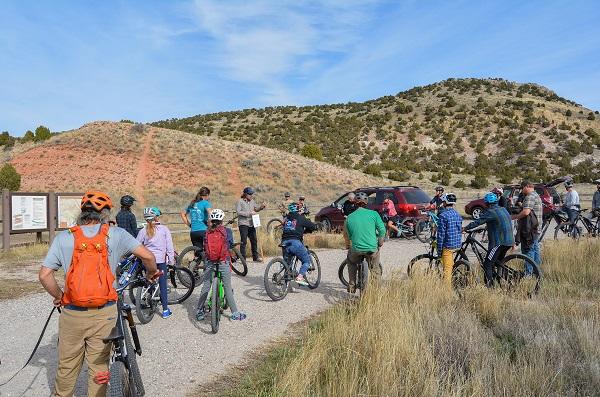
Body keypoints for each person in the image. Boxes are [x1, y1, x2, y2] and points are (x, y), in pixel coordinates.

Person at [39, 191, 157, 397]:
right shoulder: (117, 234)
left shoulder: (65, 237)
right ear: (105, 214)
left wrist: (59, 296)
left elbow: (44, 275)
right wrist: (152, 273)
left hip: (72, 313)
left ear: (81, 213)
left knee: (67, 367)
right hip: (104, 313)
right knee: (99, 366)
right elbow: (147, 256)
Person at [196, 209, 246, 321]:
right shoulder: (227, 231)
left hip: (210, 262)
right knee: (227, 287)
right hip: (223, 261)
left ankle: (199, 310)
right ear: (222, 220)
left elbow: (205, 247)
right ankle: (235, 313)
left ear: (212, 220)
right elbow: (230, 245)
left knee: (206, 286)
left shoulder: (207, 232)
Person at [464, 192, 514, 288]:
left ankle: (489, 288)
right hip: (509, 241)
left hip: (498, 243)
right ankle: (501, 281)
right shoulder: (503, 209)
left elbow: (478, 221)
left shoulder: (490, 212)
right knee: (497, 262)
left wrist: (465, 228)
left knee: (487, 264)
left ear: (486, 203)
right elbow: (498, 223)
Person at [137, 207, 175, 319]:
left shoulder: (142, 231)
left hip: (147, 261)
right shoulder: (164, 229)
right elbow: (169, 247)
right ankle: (165, 310)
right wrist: (171, 261)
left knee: (150, 278)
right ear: (156, 217)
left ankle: (148, 298)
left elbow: (137, 245)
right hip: (160, 261)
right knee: (163, 284)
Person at [344, 192, 386, 293]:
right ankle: (377, 290)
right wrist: (380, 242)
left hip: (356, 249)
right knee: (375, 268)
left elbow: (347, 235)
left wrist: (348, 245)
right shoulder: (374, 214)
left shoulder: (349, 217)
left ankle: (352, 285)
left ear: (355, 203)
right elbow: (382, 230)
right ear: (366, 203)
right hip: (372, 248)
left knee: (351, 262)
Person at [281, 202, 318, 286]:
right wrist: (316, 226)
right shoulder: (301, 218)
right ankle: (300, 277)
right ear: (298, 210)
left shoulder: (286, 219)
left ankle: (287, 286)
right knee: (306, 261)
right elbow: (312, 226)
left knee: (287, 265)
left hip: (284, 242)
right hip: (295, 242)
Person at [512, 181, 542, 269]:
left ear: (527, 186)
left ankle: (528, 275)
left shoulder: (530, 196)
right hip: (535, 229)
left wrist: (514, 217)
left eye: (522, 188)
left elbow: (526, 212)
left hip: (530, 229)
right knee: (535, 250)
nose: (521, 190)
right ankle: (537, 271)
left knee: (528, 251)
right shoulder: (536, 195)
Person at [436, 193, 462, 286]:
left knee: (447, 270)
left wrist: (439, 251)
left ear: (445, 203)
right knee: (450, 264)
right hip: (458, 244)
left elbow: (441, 235)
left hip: (448, 246)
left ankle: (446, 291)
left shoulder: (443, 216)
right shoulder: (458, 214)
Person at [236, 187, 266, 262]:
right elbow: (239, 212)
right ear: (245, 194)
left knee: (254, 240)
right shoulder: (240, 201)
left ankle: (255, 257)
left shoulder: (252, 201)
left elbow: (256, 209)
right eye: (250, 194)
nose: (251, 195)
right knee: (244, 241)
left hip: (251, 223)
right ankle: (243, 258)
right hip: (243, 223)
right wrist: (249, 213)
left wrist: (261, 207)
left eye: (252, 194)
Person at [180, 186, 212, 254]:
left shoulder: (192, 204)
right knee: (209, 251)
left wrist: (189, 225)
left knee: (198, 254)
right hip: (204, 230)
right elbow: (210, 214)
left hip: (193, 232)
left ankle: (194, 264)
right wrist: (210, 224)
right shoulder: (205, 203)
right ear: (206, 195)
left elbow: (182, 214)